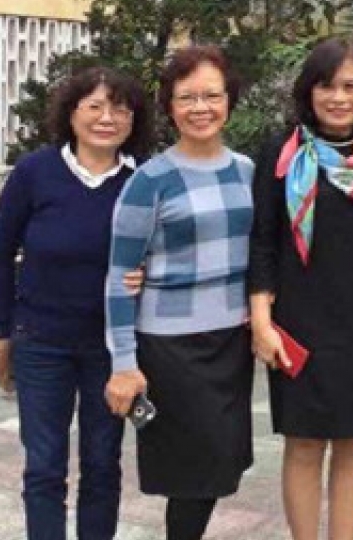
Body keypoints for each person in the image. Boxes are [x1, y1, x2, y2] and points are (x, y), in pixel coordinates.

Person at [0, 66, 151, 540]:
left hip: (110, 347)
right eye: (94, 106)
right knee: (44, 466)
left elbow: (169, 248)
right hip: (41, 342)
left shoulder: (143, 178)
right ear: (71, 113)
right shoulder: (35, 172)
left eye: (120, 109)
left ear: (134, 120)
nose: (107, 118)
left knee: (103, 463)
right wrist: (3, 333)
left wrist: (151, 272)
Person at [248, 36, 353, 540]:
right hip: (299, 322)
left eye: (350, 86)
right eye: (326, 86)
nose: (339, 97)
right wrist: (261, 321)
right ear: (308, 91)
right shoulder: (280, 152)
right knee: (304, 443)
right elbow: (263, 241)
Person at [103, 45, 255, 540]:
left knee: (220, 464)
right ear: (169, 105)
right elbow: (118, 276)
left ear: (229, 100)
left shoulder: (247, 171)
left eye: (212, 95)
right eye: (187, 97)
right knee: (191, 469)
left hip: (231, 341)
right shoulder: (149, 181)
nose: (200, 107)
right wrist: (124, 362)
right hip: (170, 346)